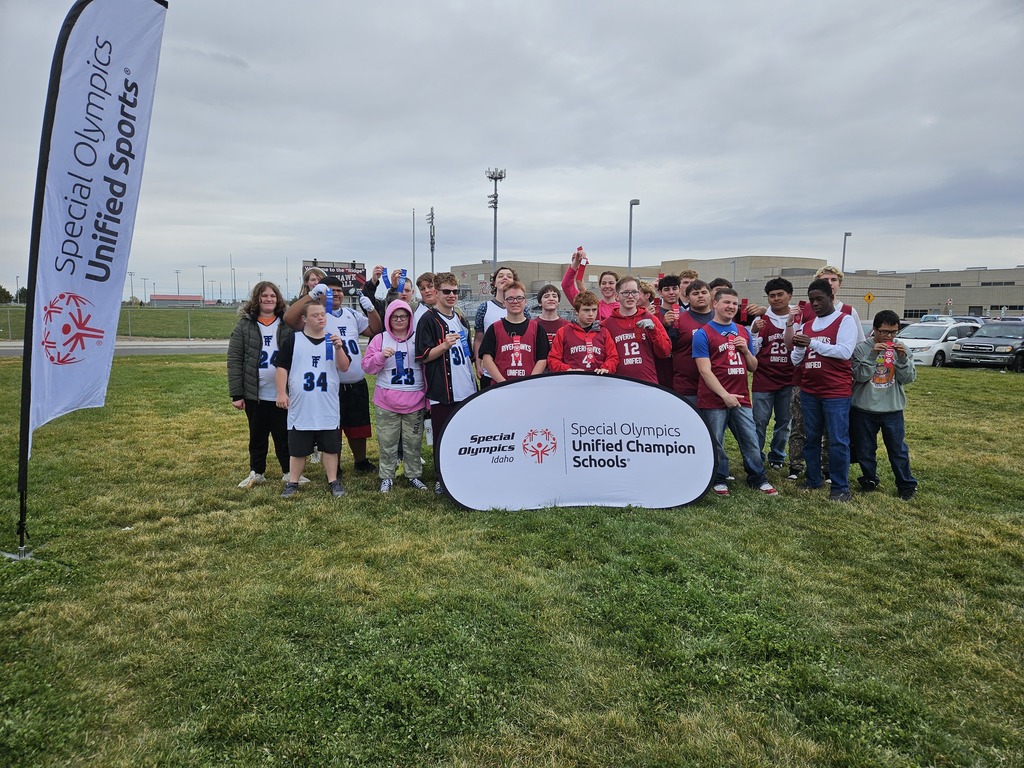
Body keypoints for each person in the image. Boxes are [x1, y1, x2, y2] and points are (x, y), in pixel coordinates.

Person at [284, 276, 382, 474]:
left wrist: (371, 310)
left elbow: (375, 329)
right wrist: (310, 295)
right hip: (329, 383)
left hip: (354, 380)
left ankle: (360, 461)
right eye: (330, 290)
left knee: (358, 426)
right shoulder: (318, 316)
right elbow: (289, 319)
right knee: (331, 427)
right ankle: (333, 465)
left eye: (338, 290)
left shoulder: (351, 314)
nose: (335, 293)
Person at [693, 288, 779, 497]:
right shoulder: (703, 333)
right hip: (714, 399)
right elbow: (704, 370)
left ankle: (758, 477)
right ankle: (719, 478)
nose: (731, 307)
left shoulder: (742, 330)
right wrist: (724, 395)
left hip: (741, 397)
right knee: (716, 441)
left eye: (734, 303)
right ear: (715, 304)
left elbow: (753, 367)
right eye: (727, 302)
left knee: (750, 438)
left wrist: (747, 351)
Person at [787, 265, 864, 481]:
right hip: (810, 389)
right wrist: (800, 346)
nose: (815, 304)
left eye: (820, 299)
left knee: (838, 439)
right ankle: (813, 479)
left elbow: (845, 351)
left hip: (835, 391)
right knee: (811, 437)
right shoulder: (808, 324)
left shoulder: (845, 319)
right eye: (812, 300)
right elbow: (796, 360)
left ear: (831, 297)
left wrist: (812, 343)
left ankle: (840, 485)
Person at [228, 281, 307, 488]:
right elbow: (235, 359)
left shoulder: (287, 324)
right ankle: (257, 471)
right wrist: (237, 394)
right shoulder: (244, 325)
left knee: (284, 433)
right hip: (256, 392)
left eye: (272, 296)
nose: (268, 299)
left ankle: (288, 471)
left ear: (278, 299)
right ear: (257, 299)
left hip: (283, 391)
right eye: (264, 296)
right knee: (257, 434)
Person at [275, 300, 351, 499]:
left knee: (330, 447)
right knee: (298, 448)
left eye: (322, 315)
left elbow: (344, 367)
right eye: (315, 315)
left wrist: (339, 348)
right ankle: (293, 481)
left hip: (327, 405)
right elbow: (282, 367)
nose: (320, 318)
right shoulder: (294, 340)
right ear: (304, 319)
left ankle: (333, 480)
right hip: (301, 406)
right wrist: (281, 392)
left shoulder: (333, 340)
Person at [416, 272, 477, 494]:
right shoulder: (428, 320)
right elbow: (423, 355)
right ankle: (442, 477)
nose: (452, 295)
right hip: (443, 389)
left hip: (465, 386)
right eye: (446, 291)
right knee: (442, 435)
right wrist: (443, 346)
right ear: (436, 292)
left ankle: (462, 472)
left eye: (455, 291)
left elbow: (468, 351)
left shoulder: (460, 318)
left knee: (464, 433)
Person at [361, 300, 429, 493]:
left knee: (413, 443)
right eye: (395, 317)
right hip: (386, 401)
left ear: (410, 318)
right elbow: (367, 367)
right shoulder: (380, 339)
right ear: (388, 319)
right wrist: (380, 357)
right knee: (387, 442)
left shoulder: (418, 338)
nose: (399, 320)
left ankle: (414, 475)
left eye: (403, 316)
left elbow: (427, 367)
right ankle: (386, 476)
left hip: (415, 400)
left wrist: (428, 397)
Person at [851, 310, 918, 500]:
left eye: (894, 332)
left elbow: (908, 379)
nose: (889, 336)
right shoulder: (861, 349)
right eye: (885, 332)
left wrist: (903, 359)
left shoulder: (901, 348)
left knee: (897, 450)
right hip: (864, 408)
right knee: (865, 449)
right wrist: (873, 355)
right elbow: (860, 376)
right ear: (875, 330)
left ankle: (906, 484)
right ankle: (869, 479)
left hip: (892, 409)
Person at [750, 277, 798, 471]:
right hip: (764, 378)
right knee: (759, 421)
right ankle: (756, 455)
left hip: (788, 378)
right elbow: (752, 351)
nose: (776, 299)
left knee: (784, 422)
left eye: (780, 295)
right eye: (772, 296)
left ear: (789, 296)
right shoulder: (761, 319)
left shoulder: (798, 317)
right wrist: (753, 333)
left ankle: (777, 455)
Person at [602, 276, 671, 384]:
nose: (630, 296)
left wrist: (654, 331)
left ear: (638, 295)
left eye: (634, 292)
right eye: (625, 293)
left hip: (647, 383)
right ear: (617, 296)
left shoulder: (651, 319)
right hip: (618, 383)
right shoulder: (606, 324)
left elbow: (665, 352)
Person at [480, 281, 549, 382]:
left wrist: (530, 381)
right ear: (504, 302)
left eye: (519, 298)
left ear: (525, 301)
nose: (515, 301)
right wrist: (503, 383)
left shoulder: (537, 328)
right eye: (510, 298)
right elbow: (486, 359)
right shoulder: (494, 329)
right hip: (501, 388)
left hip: (529, 386)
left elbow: (542, 359)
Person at [547, 291, 619, 374]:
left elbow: (613, 357)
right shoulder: (563, 332)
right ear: (576, 312)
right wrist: (568, 370)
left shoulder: (604, 332)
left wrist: (606, 368)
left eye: (594, 310)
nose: (591, 314)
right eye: (586, 310)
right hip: (572, 381)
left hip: (598, 381)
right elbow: (553, 359)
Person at [670, 279, 715, 406]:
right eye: (695, 293)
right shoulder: (678, 320)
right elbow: (669, 349)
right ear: (688, 298)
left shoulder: (720, 318)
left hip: (716, 385)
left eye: (703, 292)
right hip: (687, 386)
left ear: (710, 295)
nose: (700, 295)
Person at [474, 265, 517, 388]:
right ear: (494, 283)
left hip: (515, 369)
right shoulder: (484, 308)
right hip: (489, 372)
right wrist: (478, 363)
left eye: (509, 276)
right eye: (501, 276)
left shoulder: (521, 308)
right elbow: (478, 339)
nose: (505, 278)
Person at [563, 248, 619, 320]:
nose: (607, 286)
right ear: (600, 286)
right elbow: (567, 285)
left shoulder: (624, 307)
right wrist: (576, 263)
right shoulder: (590, 305)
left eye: (611, 283)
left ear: (617, 286)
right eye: (603, 283)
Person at [655, 274, 682, 387]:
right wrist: (663, 325)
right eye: (666, 289)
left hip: (681, 368)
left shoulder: (687, 314)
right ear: (660, 293)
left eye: (674, 288)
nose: (671, 292)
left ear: (680, 290)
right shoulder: (654, 314)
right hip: (661, 368)